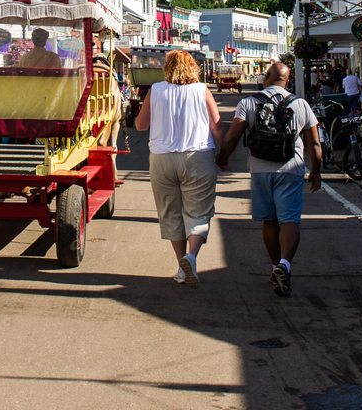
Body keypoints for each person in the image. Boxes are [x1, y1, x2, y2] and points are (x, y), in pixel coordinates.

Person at [216, 61, 322, 298]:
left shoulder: (249, 103)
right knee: (290, 220)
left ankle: (276, 266)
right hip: (291, 168)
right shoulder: (300, 104)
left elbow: (233, 136)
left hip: (260, 168)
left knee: (269, 221)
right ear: (287, 79)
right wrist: (316, 171)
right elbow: (314, 143)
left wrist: (222, 158)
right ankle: (285, 265)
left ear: (266, 77)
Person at [135, 49, 220, 287]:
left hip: (161, 160)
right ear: (193, 67)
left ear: (166, 68)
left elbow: (141, 125)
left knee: (170, 213)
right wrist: (223, 154)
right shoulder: (201, 90)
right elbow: (216, 126)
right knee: (198, 212)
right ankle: (191, 257)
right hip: (197, 156)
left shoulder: (156, 90)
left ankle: (181, 267)